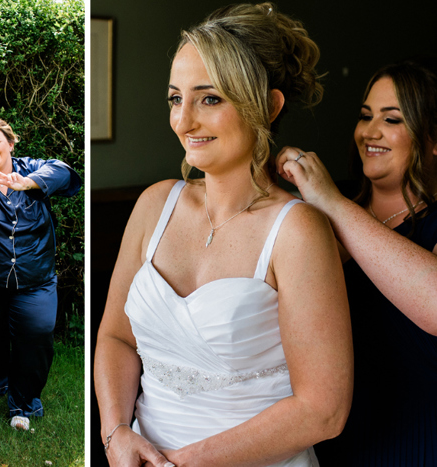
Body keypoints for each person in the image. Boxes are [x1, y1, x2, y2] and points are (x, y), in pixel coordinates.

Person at [93, 3, 354, 466]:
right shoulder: (155, 204)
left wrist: (186, 462)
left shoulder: (297, 231)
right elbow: (116, 338)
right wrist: (115, 434)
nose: (183, 121)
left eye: (209, 99)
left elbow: (323, 411)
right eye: (176, 98)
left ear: (269, 107)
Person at [276, 57, 437, 465]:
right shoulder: (317, 218)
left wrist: (329, 200)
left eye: (393, 119)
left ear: (433, 138)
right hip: (329, 443)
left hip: (415, 444)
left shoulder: (334, 206)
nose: (370, 131)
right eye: (366, 116)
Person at [0, 118, 81, 431]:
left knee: (36, 333)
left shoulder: (33, 168)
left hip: (35, 278)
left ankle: (24, 403)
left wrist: (27, 183)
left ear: (11, 143)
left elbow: (64, 173)